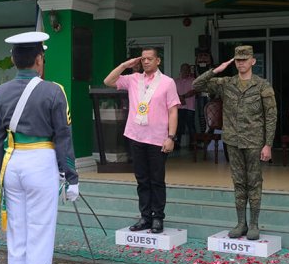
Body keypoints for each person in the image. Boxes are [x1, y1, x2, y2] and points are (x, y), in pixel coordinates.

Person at [0, 31, 78, 264]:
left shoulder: (0, 92)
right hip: (41, 162)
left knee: (17, 235)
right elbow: (63, 136)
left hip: (12, 163)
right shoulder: (54, 90)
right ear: (39, 60)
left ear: (14, 60)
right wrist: (71, 176)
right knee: (40, 233)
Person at [192, 45, 277, 240]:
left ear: (253, 61)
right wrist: (216, 70)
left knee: (254, 183)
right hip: (233, 140)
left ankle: (254, 224)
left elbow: (271, 116)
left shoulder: (263, 86)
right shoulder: (226, 83)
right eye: (238, 60)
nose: (241, 63)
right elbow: (197, 85)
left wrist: (268, 144)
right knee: (238, 182)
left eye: (244, 59)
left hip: (255, 141)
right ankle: (241, 223)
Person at [104, 48, 179, 234]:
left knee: (157, 180)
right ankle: (145, 217)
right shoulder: (133, 79)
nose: (146, 62)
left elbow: (173, 111)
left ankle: (158, 217)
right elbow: (108, 81)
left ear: (158, 61)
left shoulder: (167, 83)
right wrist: (125, 65)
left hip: (157, 138)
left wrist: (171, 137)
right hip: (136, 136)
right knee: (142, 180)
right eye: (143, 59)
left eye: (150, 59)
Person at [174, 63, 196, 148]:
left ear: (189, 71)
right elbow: (173, 92)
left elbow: (194, 91)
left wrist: (182, 97)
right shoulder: (175, 81)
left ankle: (193, 144)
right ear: (180, 70)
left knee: (191, 126)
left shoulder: (193, 80)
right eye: (183, 69)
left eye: (187, 69)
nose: (185, 71)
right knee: (178, 126)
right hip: (179, 107)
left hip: (190, 107)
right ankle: (177, 143)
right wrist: (180, 98)